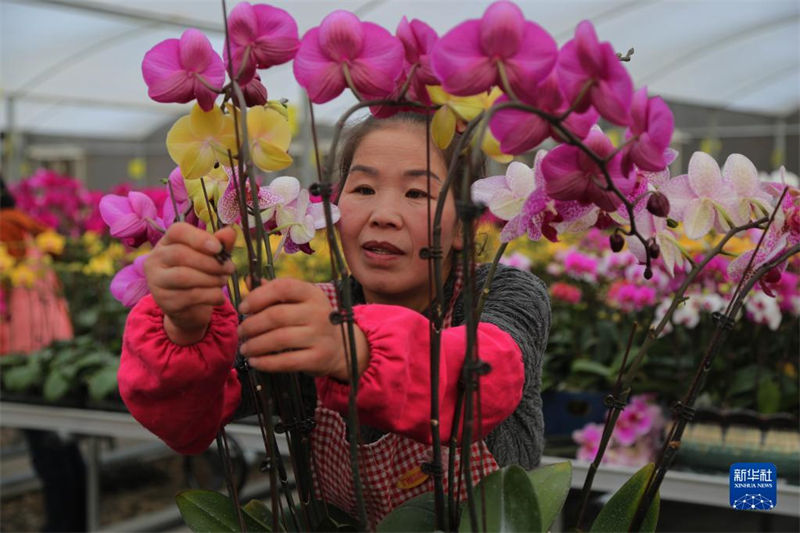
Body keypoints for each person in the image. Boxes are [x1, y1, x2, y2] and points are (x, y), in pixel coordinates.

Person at [118, 112, 551, 528]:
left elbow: (484, 376)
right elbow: (189, 424)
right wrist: (185, 330)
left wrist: (355, 348)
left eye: (417, 193)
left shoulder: (501, 295)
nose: (383, 213)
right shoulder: (313, 317)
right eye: (363, 189)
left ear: (463, 223)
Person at [1, 176, 87, 533]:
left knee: (49, 450)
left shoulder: (4, 233)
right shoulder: (29, 227)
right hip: (53, 347)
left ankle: (63, 525)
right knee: (61, 446)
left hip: (20, 352)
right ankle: (72, 523)